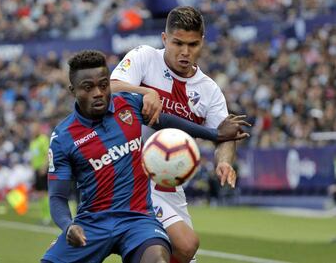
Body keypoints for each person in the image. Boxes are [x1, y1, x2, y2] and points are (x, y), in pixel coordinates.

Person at [41, 50, 249, 263]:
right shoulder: (62, 137)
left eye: (104, 85)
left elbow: (167, 121)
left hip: (138, 220)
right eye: (88, 87)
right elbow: (57, 197)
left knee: (160, 259)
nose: (98, 93)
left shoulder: (128, 104)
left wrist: (215, 134)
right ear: (73, 90)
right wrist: (68, 226)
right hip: (92, 225)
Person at [110, 6, 241, 263]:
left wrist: (224, 161)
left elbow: (224, 135)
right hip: (126, 172)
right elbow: (112, 88)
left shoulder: (208, 91)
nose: (185, 51)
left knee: (185, 251)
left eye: (192, 45)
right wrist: (146, 92)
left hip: (166, 182)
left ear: (202, 42)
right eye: (177, 43)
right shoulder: (144, 57)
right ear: (164, 39)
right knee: (184, 243)